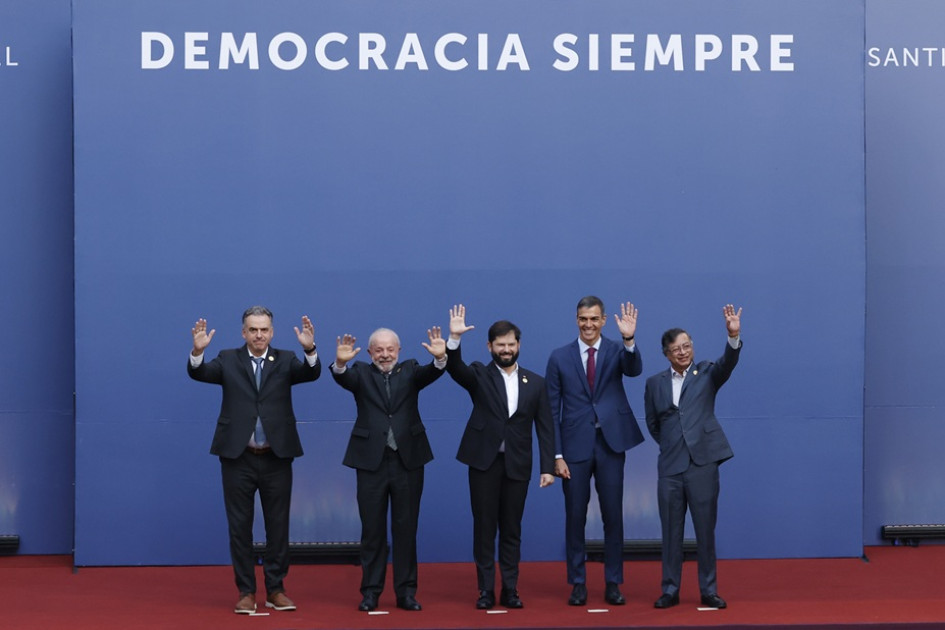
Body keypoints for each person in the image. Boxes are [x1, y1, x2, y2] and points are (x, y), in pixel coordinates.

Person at [187, 306, 321, 615]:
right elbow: (200, 372)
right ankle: (246, 592)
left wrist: (310, 348)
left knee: (278, 526)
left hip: (277, 456)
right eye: (253, 329)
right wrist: (197, 352)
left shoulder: (286, 359)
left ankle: (276, 589)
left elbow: (310, 373)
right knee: (239, 527)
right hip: (238, 457)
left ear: (272, 332)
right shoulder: (228, 358)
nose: (258, 335)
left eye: (264, 330)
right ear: (243, 333)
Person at [444, 305, 556, 610]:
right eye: (500, 345)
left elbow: (545, 428)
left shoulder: (536, 382)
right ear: (489, 346)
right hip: (483, 463)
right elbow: (455, 369)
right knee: (484, 528)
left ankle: (510, 589)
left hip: (518, 465)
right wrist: (454, 339)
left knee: (511, 529)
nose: (506, 350)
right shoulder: (479, 374)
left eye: (511, 344)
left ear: (518, 346)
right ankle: (484, 591)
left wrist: (548, 467)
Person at [331, 326, 446, 612]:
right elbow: (342, 377)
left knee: (406, 530)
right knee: (372, 531)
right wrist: (341, 363)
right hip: (371, 462)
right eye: (379, 350)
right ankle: (371, 592)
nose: (385, 355)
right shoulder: (360, 373)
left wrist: (442, 357)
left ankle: (406, 593)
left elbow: (433, 371)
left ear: (399, 351)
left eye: (390, 349)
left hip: (408, 461)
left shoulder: (411, 371)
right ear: (370, 353)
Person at [545, 296, 645, 607]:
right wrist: (556, 455)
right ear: (576, 320)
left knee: (613, 516)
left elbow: (634, 370)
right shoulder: (559, 357)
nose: (588, 324)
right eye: (583, 319)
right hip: (573, 448)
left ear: (603, 321)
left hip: (610, 444)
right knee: (574, 517)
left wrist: (629, 338)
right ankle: (577, 583)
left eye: (594, 319)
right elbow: (551, 410)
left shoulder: (617, 349)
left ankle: (613, 582)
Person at [644, 304, 742, 610]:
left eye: (687, 346)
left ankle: (708, 590)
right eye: (676, 349)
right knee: (670, 534)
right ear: (666, 353)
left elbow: (729, 363)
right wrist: (673, 444)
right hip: (670, 468)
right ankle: (670, 590)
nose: (683, 352)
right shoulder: (654, 384)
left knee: (704, 531)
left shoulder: (708, 373)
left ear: (693, 348)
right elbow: (653, 425)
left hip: (703, 465)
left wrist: (733, 335)